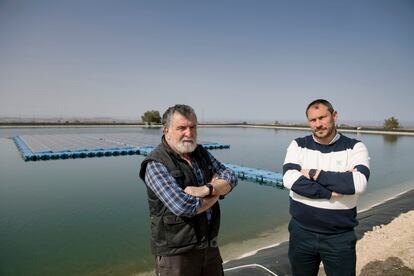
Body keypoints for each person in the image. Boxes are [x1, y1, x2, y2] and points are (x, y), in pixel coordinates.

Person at [139, 104, 237, 276]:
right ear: (166, 130)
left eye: (193, 127)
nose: (189, 133)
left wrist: (207, 189)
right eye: (181, 128)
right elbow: (185, 207)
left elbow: (231, 176)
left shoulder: (200, 153)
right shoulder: (156, 164)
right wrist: (219, 192)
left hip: (208, 245)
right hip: (177, 255)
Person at [282, 99, 370, 276]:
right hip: (301, 233)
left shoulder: (355, 147)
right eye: (313, 120)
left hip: (339, 237)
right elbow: (289, 179)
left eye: (322, 117)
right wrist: (329, 192)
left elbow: (358, 183)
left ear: (334, 116)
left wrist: (314, 173)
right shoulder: (298, 145)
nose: (318, 124)